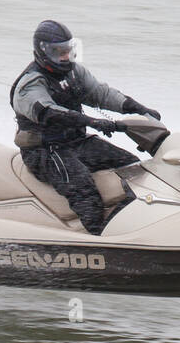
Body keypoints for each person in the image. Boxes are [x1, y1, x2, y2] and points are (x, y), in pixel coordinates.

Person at [10, 20, 167, 234]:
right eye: (58, 52)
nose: (65, 57)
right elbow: (51, 113)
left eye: (67, 50)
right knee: (82, 187)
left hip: (77, 142)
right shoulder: (30, 85)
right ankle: (99, 235)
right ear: (43, 51)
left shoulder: (74, 73)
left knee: (133, 167)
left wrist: (137, 108)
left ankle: (128, 221)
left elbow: (101, 94)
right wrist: (93, 122)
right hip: (45, 151)